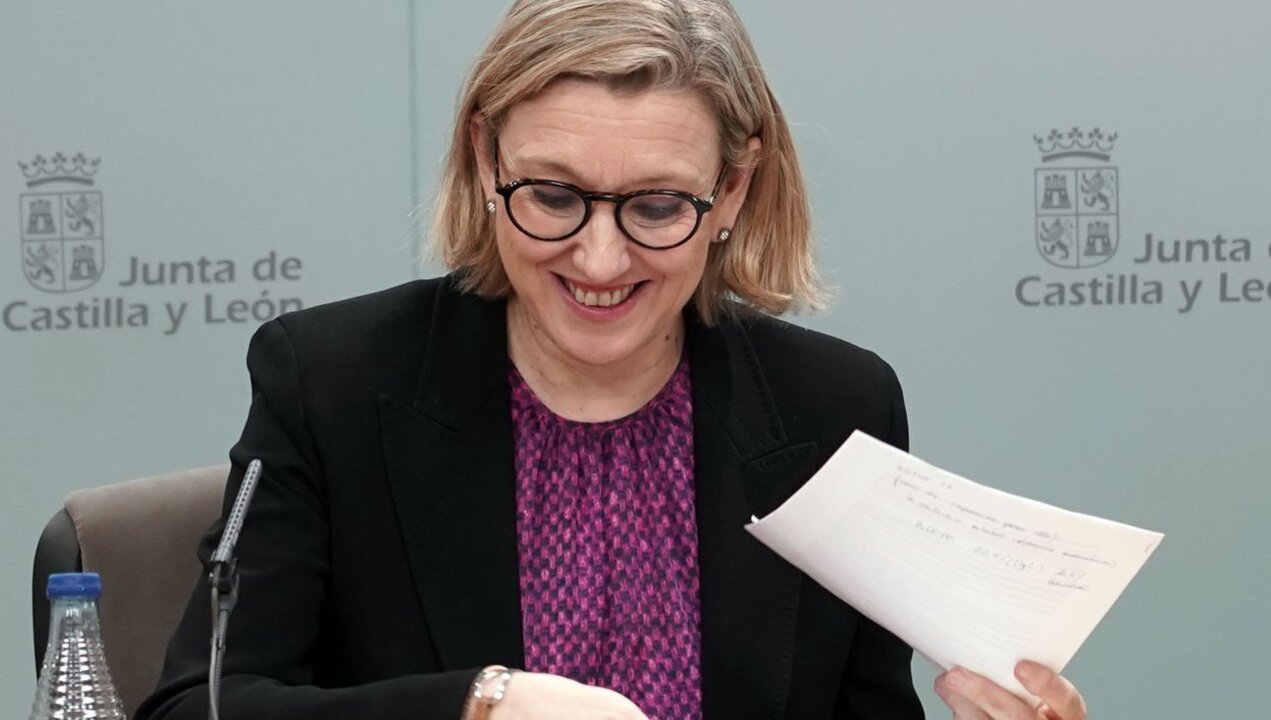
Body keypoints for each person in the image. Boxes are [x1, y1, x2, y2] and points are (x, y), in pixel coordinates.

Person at [137, 1, 1087, 719]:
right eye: (552, 196)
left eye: (658, 207)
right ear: (483, 157)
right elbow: (195, 708)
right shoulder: (331, 381)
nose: (599, 259)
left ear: (732, 191)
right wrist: (481, 703)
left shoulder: (833, 409)